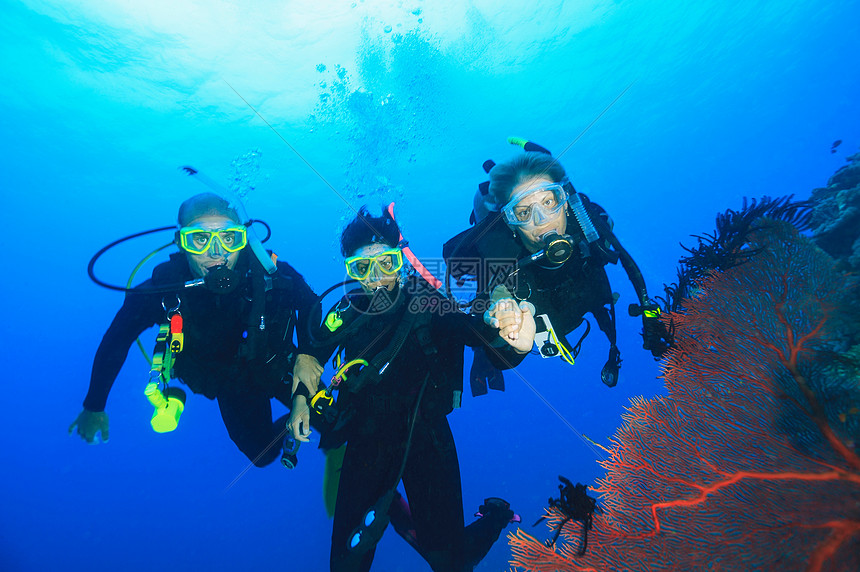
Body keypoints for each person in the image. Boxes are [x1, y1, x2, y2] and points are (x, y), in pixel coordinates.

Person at [289, 206, 535, 572]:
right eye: (362, 268)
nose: (376, 279)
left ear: (400, 260)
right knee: (344, 566)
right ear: (349, 271)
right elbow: (311, 354)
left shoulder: (429, 303)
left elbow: (475, 332)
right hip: (365, 437)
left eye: (386, 263)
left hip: (428, 436)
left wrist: (511, 336)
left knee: (452, 565)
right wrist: (299, 400)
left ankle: (494, 517)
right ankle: (390, 509)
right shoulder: (344, 312)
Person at [69, 192, 323, 467]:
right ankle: (290, 426)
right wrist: (94, 404)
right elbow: (117, 339)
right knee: (261, 454)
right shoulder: (162, 291)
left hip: (279, 366)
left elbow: (310, 303)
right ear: (181, 243)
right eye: (200, 239)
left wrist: (307, 356)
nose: (217, 252)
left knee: (336, 422)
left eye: (229, 238)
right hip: (230, 383)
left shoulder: (270, 274)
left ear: (244, 239)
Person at [444, 142, 669, 391]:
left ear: (564, 200)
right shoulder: (500, 261)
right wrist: (515, 343)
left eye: (549, 202)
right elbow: (500, 340)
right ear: (510, 223)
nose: (543, 220)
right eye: (523, 212)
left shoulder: (588, 227)